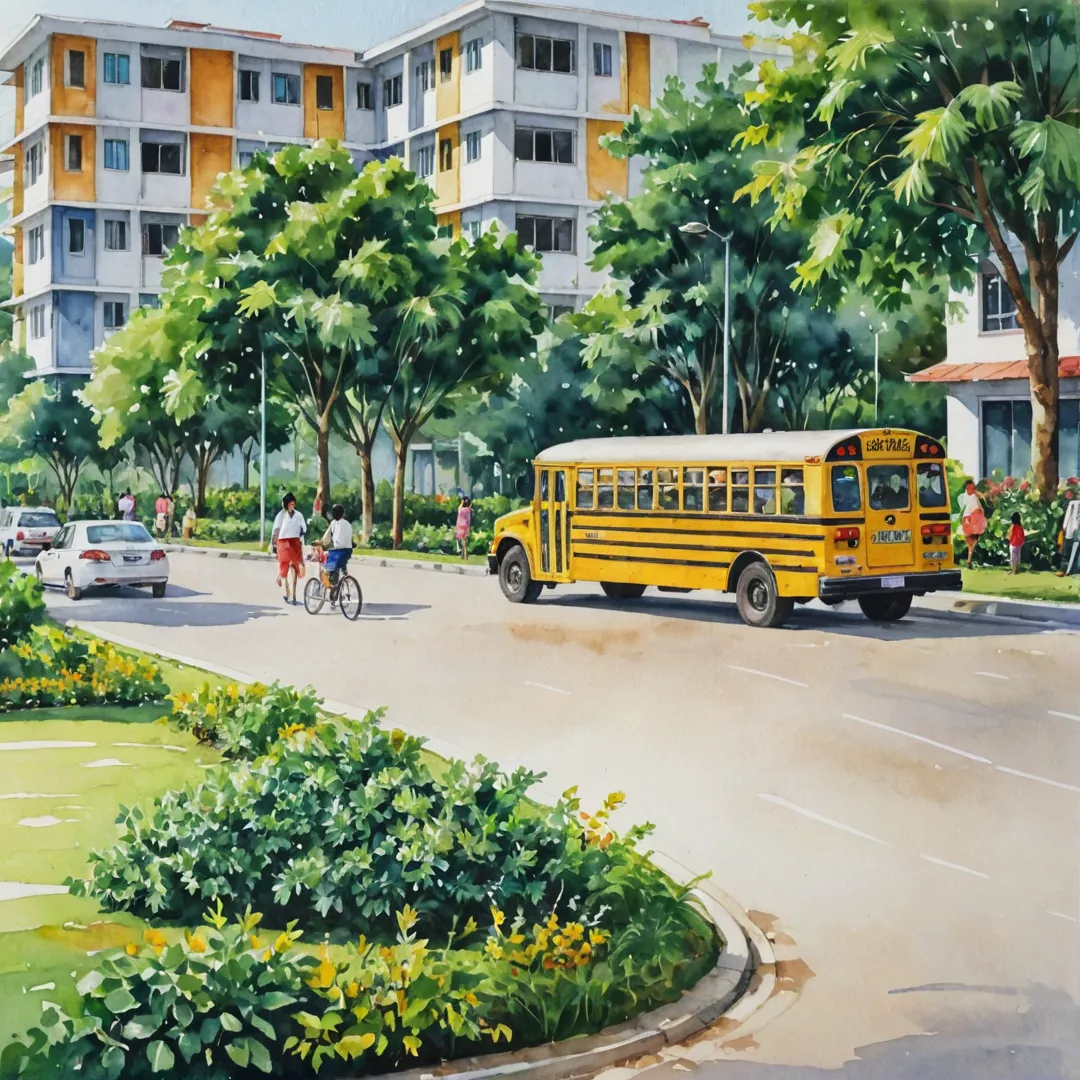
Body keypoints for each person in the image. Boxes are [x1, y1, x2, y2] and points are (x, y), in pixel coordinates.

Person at [271, 492, 307, 605]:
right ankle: (287, 592)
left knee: (296, 568)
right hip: (283, 542)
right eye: (290, 504)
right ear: (286, 504)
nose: (292, 506)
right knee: (285, 567)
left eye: (293, 504)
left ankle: (294, 594)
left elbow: (304, 527)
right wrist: (274, 544)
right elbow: (276, 530)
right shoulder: (281, 516)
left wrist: (301, 532)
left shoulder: (298, 515)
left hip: (294, 542)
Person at [320, 503, 353, 583]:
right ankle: (343, 571)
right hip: (347, 551)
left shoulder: (333, 523)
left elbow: (326, 538)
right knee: (338, 563)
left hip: (338, 551)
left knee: (329, 564)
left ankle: (331, 582)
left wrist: (321, 543)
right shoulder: (347, 524)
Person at [958, 480, 987, 567]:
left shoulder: (968, 496)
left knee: (971, 542)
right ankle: (969, 560)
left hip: (970, 518)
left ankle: (969, 560)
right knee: (972, 541)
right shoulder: (971, 496)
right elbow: (980, 502)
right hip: (972, 518)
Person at [455, 496, 472, 561]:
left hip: (460, 525)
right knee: (464, 542)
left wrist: (462, 502)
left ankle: (463, 555)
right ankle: (464, 556)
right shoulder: (468, 510)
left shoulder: (461, 509)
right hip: (465, 526)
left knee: (459, 540)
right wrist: (468, 528)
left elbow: (459, 507)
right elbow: (468, 519)